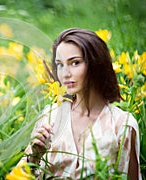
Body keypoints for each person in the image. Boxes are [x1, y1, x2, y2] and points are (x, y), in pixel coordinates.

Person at [20, 28, 141, 179]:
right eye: (60, 65)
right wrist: (34, 156)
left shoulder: (122, 125)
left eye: (75, 63)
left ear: (96, 63)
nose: (65, 74)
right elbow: (19, 176)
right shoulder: (50, 116)